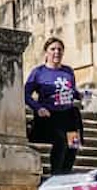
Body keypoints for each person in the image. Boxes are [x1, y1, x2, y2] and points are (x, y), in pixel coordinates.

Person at [25, 37, 85, 175]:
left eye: (59, 49)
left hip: (69, 115)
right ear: (46, 52)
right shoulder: (38, 72)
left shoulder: (68, 71)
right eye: (53, 49)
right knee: (61, 141)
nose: (56, 52)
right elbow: (25, 94)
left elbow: (71, 90)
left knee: (73, 145)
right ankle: (56, 174)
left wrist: (79, 94)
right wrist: (38, 108)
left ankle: (66, 172)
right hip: (50, 115)